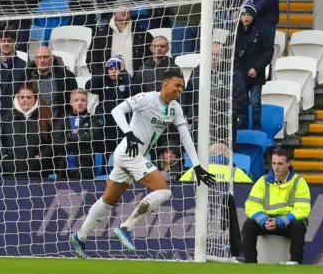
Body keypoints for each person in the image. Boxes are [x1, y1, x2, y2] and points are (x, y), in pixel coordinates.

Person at [69, 70, 216, 258]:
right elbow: (117, 110)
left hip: (135, 156)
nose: (180, 89)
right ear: (165, 84)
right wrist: (129, 133)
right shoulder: (147, 98)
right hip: (128, 153)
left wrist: (196, 165)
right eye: (177, 85)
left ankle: (80, 236)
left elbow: (185, 135)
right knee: (164, 191)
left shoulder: (175, 109)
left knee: (108, 200)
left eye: (182, 86)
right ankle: (126, 227)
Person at [242, 149, 310, 264]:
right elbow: (251, 205)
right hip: (266, 221)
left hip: (287, 223)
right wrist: (264, 220)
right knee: (249, 224)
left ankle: (295, 262)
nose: (276, 167)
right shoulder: (262, 181)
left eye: (280, 164)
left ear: (289, 163)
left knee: (298, 225)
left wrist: (280, 221)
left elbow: (302, 209)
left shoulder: (299, 182)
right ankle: (250, 263)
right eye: (274, 163)